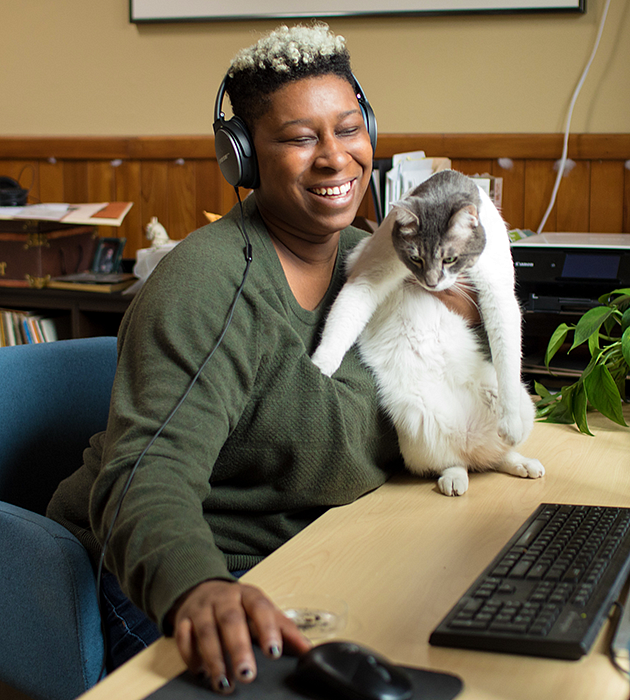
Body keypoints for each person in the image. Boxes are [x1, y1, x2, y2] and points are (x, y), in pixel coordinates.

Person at [47, 22, 478, 695]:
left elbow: (412, 412)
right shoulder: (209, 287)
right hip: (185, 578)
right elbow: (147, 473)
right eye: (300, 138)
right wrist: (197, 588)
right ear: (242, 158)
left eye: (346, 129)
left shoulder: (381, 263)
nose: (336, 158)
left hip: (317, 552)